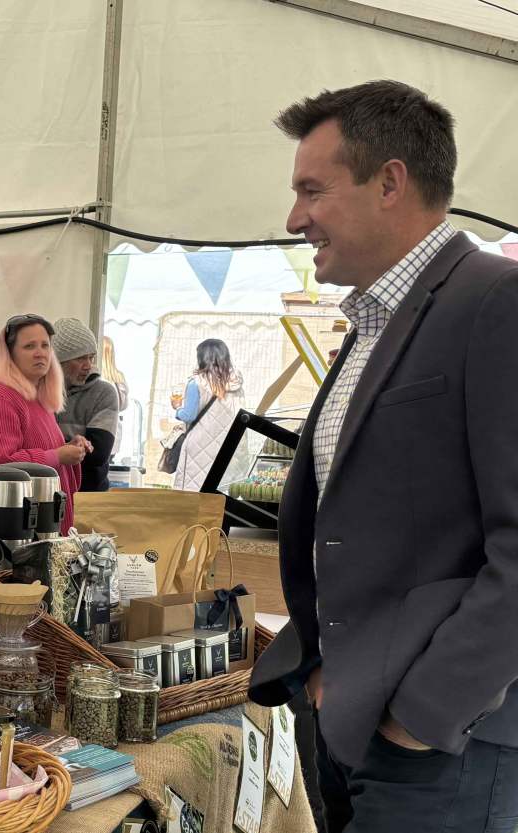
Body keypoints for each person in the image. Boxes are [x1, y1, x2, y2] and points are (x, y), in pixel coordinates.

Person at [248, 80, 518, 832]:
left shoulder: (498, 301)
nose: (294, 217)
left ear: (391, 181)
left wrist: (422, 717)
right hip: (357, 726)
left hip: (445, 747)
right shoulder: (375, 321)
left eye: (312, 189)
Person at [0, 314, 85, 534]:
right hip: (12, 536)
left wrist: (71, 450)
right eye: (29, 346)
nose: (40, 353)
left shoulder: (39, 400)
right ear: (9, 354)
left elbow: (49, 461)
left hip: (40, 528)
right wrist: (57, 456)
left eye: (45, 345)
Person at [50, 318, 122, 492]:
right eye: (81, 358)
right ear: (60, 361)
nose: (88, 365)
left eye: (91, 357)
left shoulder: (104, 393)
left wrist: (51, 452)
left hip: (88, 497)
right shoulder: (38, 392)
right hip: (47, 494)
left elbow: (97, 453)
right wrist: (66, 448)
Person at [170, 339, 245, 491]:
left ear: (202, 358)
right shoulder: (236, 383)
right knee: (218, 499)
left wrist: (177, 408)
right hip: (228, 447)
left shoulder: (197, 383)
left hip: (198, 449)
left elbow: (189, 415)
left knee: (192, 497)